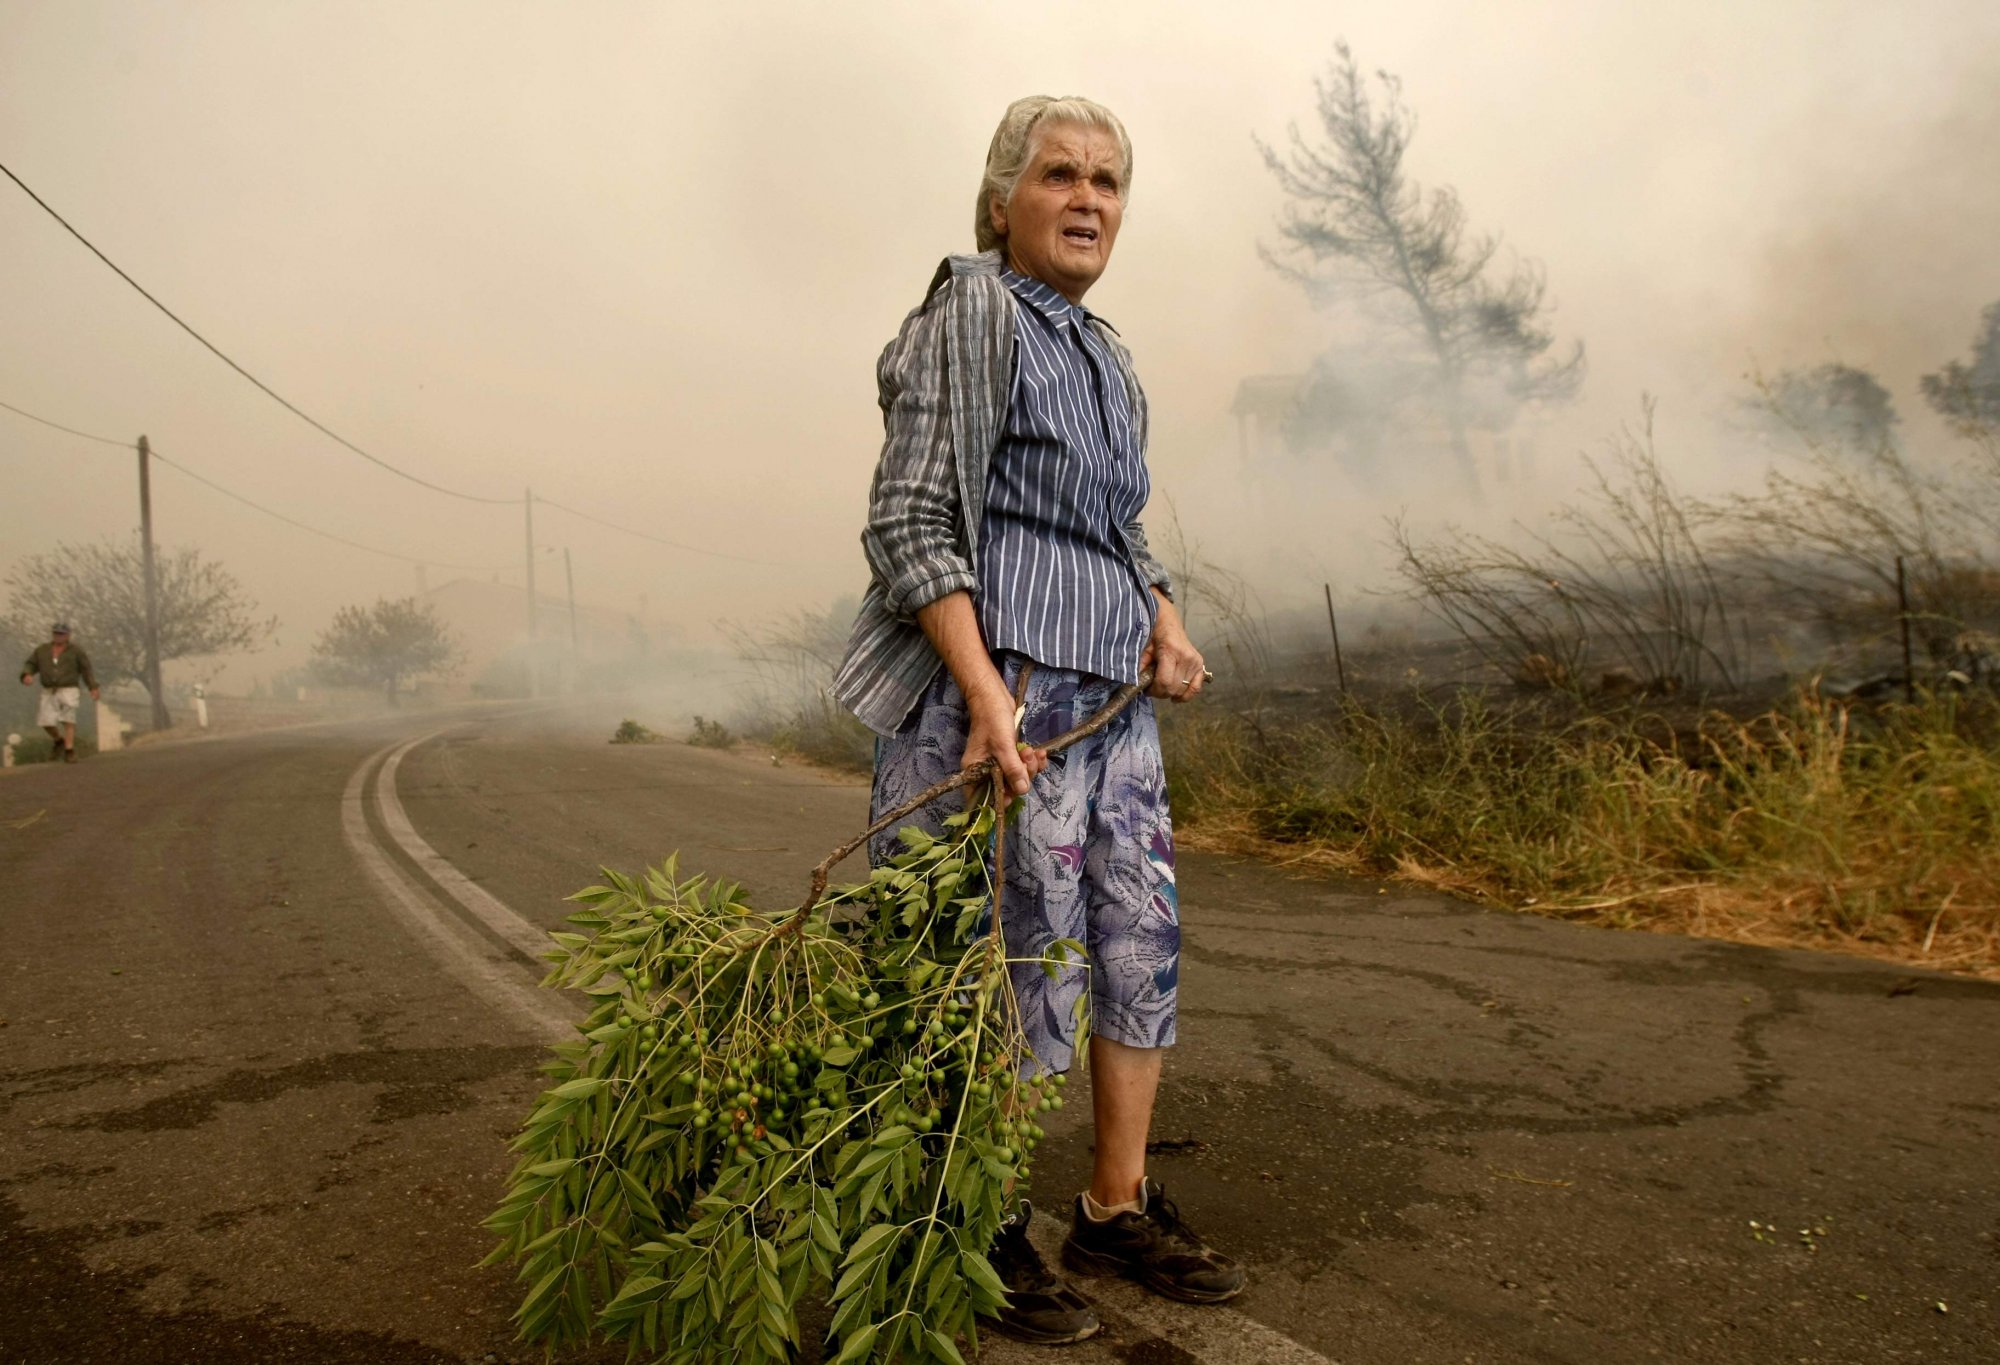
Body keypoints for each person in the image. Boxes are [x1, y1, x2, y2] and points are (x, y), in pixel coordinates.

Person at [832, 95, 1244, 1346]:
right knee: (1009, 972)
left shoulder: (1101, 349)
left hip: (1109, 713)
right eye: (1059, 174)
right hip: (1003, 712)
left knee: (1135, 948)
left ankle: (1113, 1207)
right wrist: (981, 693)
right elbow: (908, 517)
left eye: (1107, 182)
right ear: (1001, 198)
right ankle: (969, 1220)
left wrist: (1162, 616)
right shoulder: (975, 310)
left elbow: (1116, 528)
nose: (1086, 199)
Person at [19, 622, 99, 764]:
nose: (58, 636)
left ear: (68, 635)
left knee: (68, 718)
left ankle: (69, 750)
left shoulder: (76, 651)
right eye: (56, 633)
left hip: (69, 688)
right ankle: (58, 740)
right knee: (45, 721)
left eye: (62, 634)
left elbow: (86, 670)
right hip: (49, 689)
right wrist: (27, 674)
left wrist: (92, 687)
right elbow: (31, 664)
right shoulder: (42, 650)